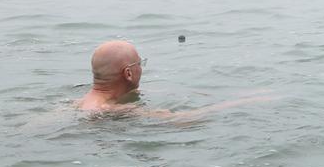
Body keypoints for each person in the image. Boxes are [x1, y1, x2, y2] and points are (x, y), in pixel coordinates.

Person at [75, 40, 272, 119]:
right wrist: (242, 103)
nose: (141, 69)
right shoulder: (109, 111)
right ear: (128, 73)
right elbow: (183, 120)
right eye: (140, 64)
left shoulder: (81, 103)